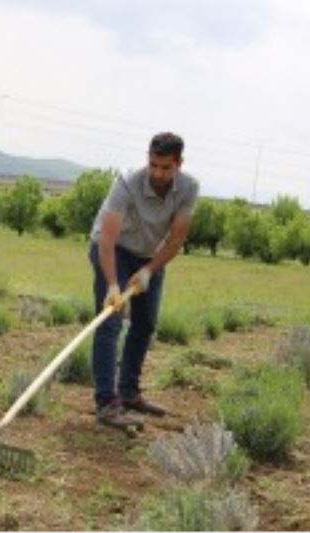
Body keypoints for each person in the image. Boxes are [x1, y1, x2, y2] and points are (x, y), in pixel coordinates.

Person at [88, 132, 199, 429]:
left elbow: (176, 240)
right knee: (110, 321)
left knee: (145, 323)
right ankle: (106, 403)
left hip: (150, 257)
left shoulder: (188, 188)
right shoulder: (127, 183)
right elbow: (107, 239)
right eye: (153, 165)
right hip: (115, 251)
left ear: (178, 164)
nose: (157, 173)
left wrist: (149, 270)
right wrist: (113, 285)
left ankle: (128, 393)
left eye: (165, 167)